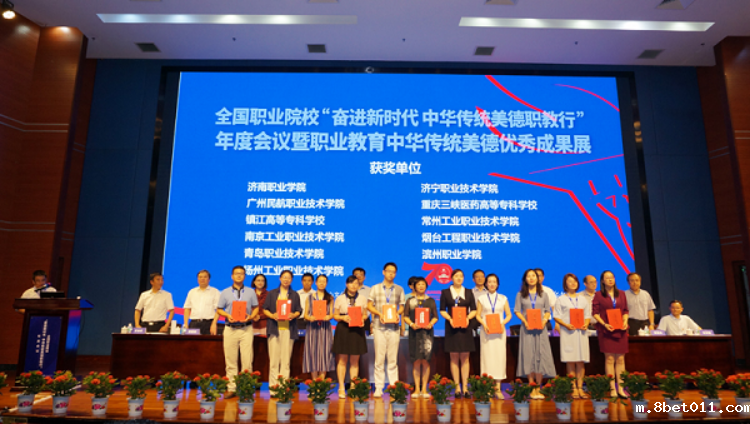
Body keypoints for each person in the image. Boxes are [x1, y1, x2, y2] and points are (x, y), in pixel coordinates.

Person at [215, 266, 259, 397]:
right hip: (230, 329)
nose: (239, 276)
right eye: (236, 274)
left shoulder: (251, 292)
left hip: (246, 329)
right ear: (232, 276)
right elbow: (219, 309)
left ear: (245, 276)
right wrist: (227, 315)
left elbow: (256, 308)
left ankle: (246, 388)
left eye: (241, 274)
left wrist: (251, 316)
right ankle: (232, 388)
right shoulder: (225, 292)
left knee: (247, 360)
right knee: (230, 361)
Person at [514, 269, 555, 400]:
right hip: (527, 329)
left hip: (541, 329)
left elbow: (547, 311)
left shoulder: (544, 294)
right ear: (525, 279)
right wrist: (525, 321)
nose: (531, 278)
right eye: (528, 276)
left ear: (538, 279)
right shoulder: (520, 295)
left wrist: (544, 321)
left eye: (534, 276)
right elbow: (517, 310)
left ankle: (539, 387)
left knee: (540, 356)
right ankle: (531, 387)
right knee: (529, 356)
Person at [366, 262, 405, 398]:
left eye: (393, 272)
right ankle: (379, 387)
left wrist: (397, 314)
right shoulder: (375, 288)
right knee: (379, 359)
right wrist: (379, 314)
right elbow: (369, 306)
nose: (391, 274)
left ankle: (394, 387)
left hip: (394, 328)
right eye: (389, 271)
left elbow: (401, 307)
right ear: (383, 272)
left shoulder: (399, 289)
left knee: (393, 359)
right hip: (379, 327)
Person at [440, 269, 477, 398]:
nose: (459, 278)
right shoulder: (445, 292)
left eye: (461, 276)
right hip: (452, 328)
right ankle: (457, 387)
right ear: (451, 278)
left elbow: (474, 310)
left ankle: (465, 387)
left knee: (465, 357)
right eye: (456, 276)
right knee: (454, 357)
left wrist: (467, 318)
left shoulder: (468, 292)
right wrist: (450, 319)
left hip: (465, 327)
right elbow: (442, 310)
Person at [592, 270, 629, 399]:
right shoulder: (598, 295)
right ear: (602, 281)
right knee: (609, 359)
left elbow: (625, 311)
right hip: (606, 330)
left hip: (620, 330)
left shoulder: (622, 294)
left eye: (612, 277)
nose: (610, 280)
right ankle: (612, 388)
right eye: (607, 278)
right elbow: (595, 313)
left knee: (620, 359)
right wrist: (604, 324)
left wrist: (625, 322)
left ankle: (621, 388)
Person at [553, 274, 591, 399]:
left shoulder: (583, 299)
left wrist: (586, 324)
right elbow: (556, 316)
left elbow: (587, 315)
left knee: (581, 361)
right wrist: (566, 325)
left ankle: (580, 387)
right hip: (568, 333)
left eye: (575, 281)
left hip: (581, 333)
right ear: (565, 284)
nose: (573, 283)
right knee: (570, 361)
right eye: (570, 281)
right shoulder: (561, 299)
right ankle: (573, 388)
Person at [263, 270, 303, 387]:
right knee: (274, 361)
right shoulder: (272, 293)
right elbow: (265, 309)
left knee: (285, 361)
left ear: (291, 280)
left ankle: (283, 387)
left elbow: (299, 310)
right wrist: (272, 315)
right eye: (284, 277)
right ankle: (273, 387)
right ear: (280, 278)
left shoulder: (294, 294)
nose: (286, 280)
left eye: (289, 278)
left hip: (288, 330)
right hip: (274, 329)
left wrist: (293, 315)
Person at [474, 273, 511, 399]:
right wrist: (483, 324)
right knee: (487, 358)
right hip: (487, 332)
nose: (491, 284)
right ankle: (488, 387)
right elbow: (478, 315)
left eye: (494, 282)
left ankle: (498, 388)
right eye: (489, 282)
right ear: (486, 284)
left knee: (499, 358)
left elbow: (509, 315)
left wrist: (503, 323)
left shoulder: (503, 298)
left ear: (497, 284)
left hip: (499, 332)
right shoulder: (482, 298)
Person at [333, 275, 370, 397]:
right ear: (346, 284)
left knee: (354, 361)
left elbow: (365, 314)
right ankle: (341, 387)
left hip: (357, 330)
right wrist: (343, 317)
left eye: (356, 283)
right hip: (343, 329)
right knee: (342, 360)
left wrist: (362, 319)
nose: (354, 286)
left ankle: (353, 387)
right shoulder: (340, 298)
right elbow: (335, 315)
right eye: (351, 283)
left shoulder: (362, 298)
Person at [402, 276, 438, 398]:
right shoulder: (410, 301)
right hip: (414, 333)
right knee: (416, 361)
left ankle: (424, 389)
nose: (421, 286)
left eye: (423, 284)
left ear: (426, 286)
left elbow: (435, 316)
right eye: (418, 284)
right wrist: (412, 324)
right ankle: (417, 389)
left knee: (426, 361)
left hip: (427, 334)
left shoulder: (431, 301)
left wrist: (431, 324)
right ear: (414, 287)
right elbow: (405, 316)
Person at [303, 274, 335, 379]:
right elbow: (305, 315)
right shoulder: (310, 297)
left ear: (326, 283)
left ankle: (322, 382)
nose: (322, 283)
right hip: (313, 328)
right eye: (320, 281)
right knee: (313, 354)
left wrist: (328, 316)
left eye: (324, 281)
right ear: (316, 283)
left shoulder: (330, 297)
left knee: (325, 353)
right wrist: (310, 317)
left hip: (325, 329)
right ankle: (314, 383)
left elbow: (332, 314)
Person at [183, 269, 220, 335]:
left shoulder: (215, 292)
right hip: (194, 324)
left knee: (208, 342)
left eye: (205, 277)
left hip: (208, 324)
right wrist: (186, 324)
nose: (202, 279)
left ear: (209, 279)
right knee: (192, 341)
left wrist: (214, 323)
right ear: (197, 279)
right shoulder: (192, 292)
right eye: (200, 277)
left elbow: (218, 310)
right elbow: (187, 309)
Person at [353, 267, 371, 333]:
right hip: (351, 320)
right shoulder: (347, 290)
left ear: (364, 277)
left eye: (361, 275)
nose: (359, 276)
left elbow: (372, 306)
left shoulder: (370, 290)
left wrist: (373, 322)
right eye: (356, 275)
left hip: (365, 320)